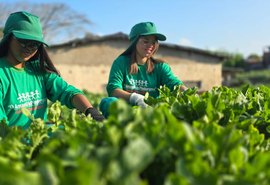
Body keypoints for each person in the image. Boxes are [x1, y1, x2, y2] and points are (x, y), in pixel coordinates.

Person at [0, 11, 104, 129]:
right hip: (13, 143)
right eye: (24, 42)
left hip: (40, 137)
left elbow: (67, 92)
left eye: (35, 44)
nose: (29, 48)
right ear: (8, 38)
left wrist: (90, 110)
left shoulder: (37, 70)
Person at [100, 21, 187, 117]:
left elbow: (175, 84)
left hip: (150, 112)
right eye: (146, 41)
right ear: (134, 42)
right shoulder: (121, 63)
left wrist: (189, 94)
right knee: (107, 102)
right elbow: (113, 90)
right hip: (125, 112)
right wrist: (135, 98)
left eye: (154, 42)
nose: (150, 45)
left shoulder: (160, 67)